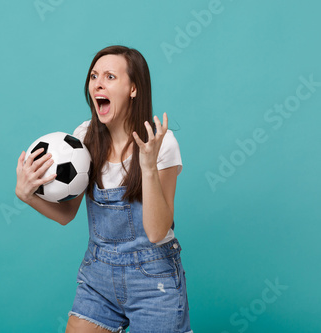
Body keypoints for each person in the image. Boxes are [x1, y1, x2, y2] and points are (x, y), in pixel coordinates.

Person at [15, 45, 192, 333]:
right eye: (94, 75)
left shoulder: (161, 143)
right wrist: (26, 195)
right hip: (99, 275)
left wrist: (147, 166)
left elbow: (158, 231)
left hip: (153, 280)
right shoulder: (84, 137)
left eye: (110, 76)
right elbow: (66, 214)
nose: (98, 83)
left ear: (133, 88)